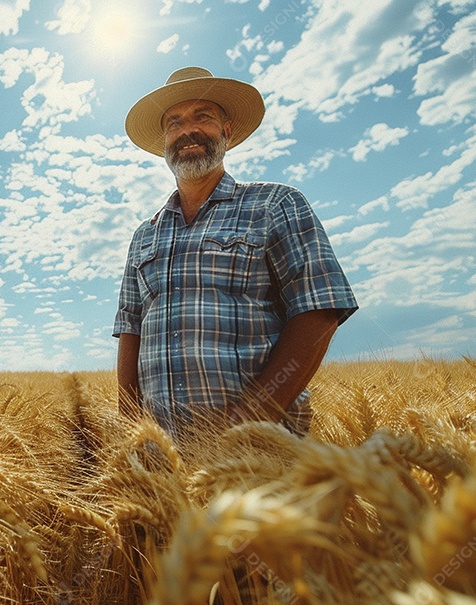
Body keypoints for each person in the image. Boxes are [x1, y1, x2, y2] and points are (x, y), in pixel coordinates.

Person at [113, 67, 358, 437]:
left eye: (203, 117)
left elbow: (319, 310)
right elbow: (131, 331)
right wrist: (132, 432)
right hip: (161, 459)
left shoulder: (276, 203)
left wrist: (252, 418)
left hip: (260, 450)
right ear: (165, 141)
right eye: (174, 122)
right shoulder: (144, 235)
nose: (187, 130)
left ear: (226, 131)